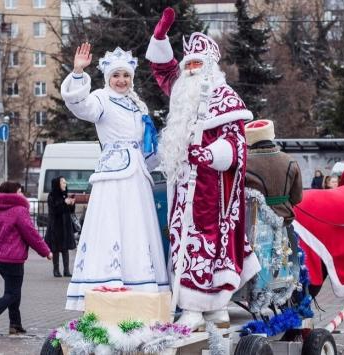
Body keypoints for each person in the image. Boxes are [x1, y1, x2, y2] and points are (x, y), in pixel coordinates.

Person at [146, 8, 260, 330]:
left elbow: (237, 147)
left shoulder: (226, 99)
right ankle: (193, 303)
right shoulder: (182, 92)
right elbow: (162, 69)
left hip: (214, 193)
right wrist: (160, 37)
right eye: (189, 65)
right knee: (183, 241)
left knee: (209, 244)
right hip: (184, 191)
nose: (192, 70)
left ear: (210, 68)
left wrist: (208, 155)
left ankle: (208, 304)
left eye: (198, 65)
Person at [60, 43, 169, 311]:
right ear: (108, 78)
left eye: (126, 76)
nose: (121, 81)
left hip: (138, 176)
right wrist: (77, 72)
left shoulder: (138, 104)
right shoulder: (101, 99)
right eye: (116, 76)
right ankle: (109, 282)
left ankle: (140, 284)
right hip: (113, 176)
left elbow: (148, 146)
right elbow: (79, 105)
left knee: (138, 228)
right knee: (112, 225)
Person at [0, 181, 52, 338]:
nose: (22, 194)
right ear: (12, 194)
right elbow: (31, 235)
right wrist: (46, 252)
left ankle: (15, 325)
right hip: (13, 260)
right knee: (12, 293)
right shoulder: (20, 211)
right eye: (19, 192)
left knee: (12, 291)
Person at [245, 119, 302, 226]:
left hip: (252, 223)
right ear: (271, 135)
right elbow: (297, 198)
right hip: (284, 220)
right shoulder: (290, 161)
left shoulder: (243, 163)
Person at [44, 176, 77, 277]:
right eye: (63, 182)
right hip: (56, 226)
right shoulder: (52, 196)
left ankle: (66, 270)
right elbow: (55, 211)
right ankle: (56, 270)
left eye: (65, 182)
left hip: (65, 225)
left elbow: (70, 211)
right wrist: (64, 202)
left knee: (65, 248)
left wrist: (72, 204)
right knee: (56, 248)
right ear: (57, 184)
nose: (65, 184)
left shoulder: (64, 195)